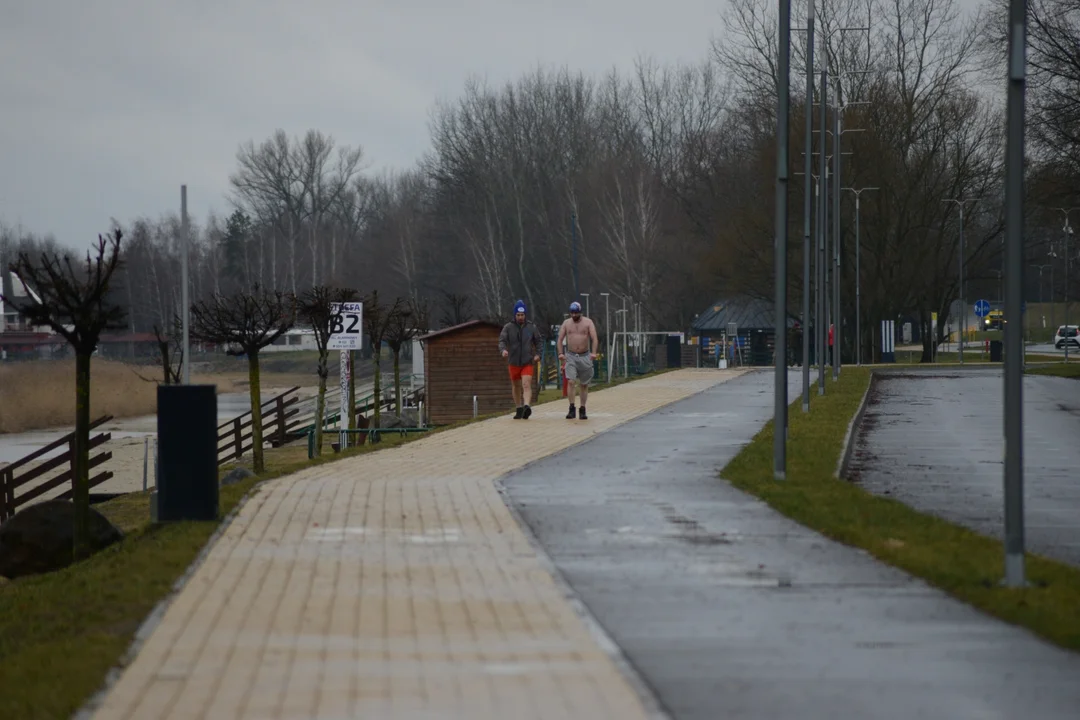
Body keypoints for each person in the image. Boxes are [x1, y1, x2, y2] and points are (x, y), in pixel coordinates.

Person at [498, 299, 542, 419]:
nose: (520, 317)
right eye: (518, 315)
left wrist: (538, 354)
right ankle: (518, 407)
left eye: (522, 315)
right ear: (515, 315)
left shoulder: (531, 327)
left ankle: (526, 406)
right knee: (516, 386)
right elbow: (502, 340)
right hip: (513, 361)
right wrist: (503, 350)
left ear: (525, 315)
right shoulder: (508, 327)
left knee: (526, 384)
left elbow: (538, 341)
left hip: (527, 361)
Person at [557, 301, 599, 420]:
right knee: (571, 381)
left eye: (576, 313)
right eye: (572, 313)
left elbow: (594, 338)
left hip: (585, 355)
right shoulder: (566, 323)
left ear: (580, 312)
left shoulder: (588, 322)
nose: (574, 315)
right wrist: (560, 353)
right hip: (570, 356)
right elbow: (560, 339)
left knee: (584, 384)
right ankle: (571, 407)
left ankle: (582, 408)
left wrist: (594, 353)